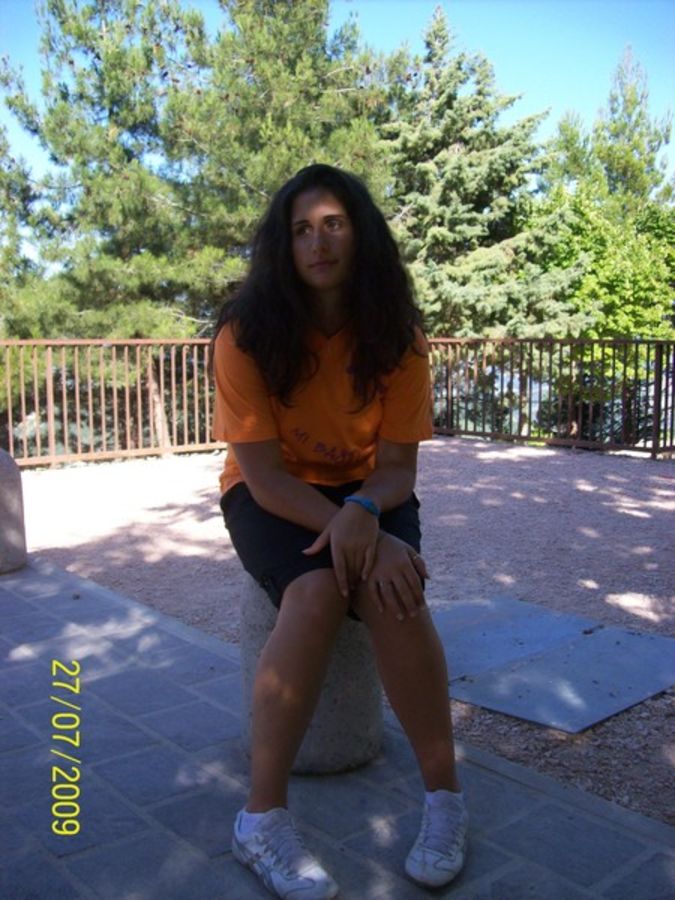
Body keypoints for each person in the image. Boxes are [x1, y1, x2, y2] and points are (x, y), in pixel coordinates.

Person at [211, 163, 468, 899]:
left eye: (333, 225)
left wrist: (367, 518)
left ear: (360, 235)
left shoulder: (398, 336)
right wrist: (355, 531)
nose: (318, 242)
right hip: (272, 493)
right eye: (301, 230)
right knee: (318, 591)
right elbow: (264, 478)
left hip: (370, 491)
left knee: (395, 592)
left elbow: (398, 470)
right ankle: (260, 820)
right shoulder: (245, 335)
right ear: (283, 246)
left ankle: (445, 799)